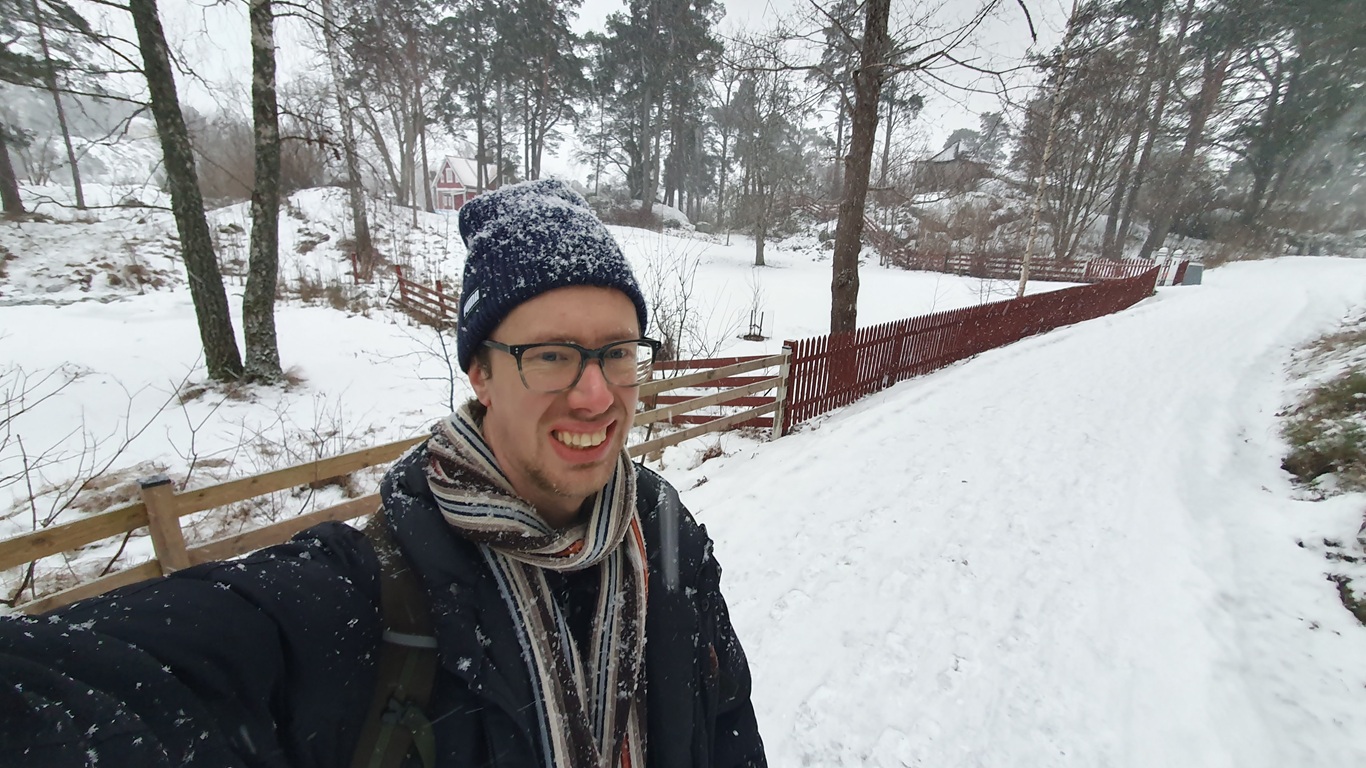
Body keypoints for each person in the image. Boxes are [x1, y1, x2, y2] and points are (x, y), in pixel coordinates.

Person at [0, 179, 766, 768]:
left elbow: (728, 726)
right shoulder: (365, 596)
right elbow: (115, 679)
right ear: (481, 374)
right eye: (552, 356)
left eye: (618, 352)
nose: (596, 395)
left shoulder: (666, 537)